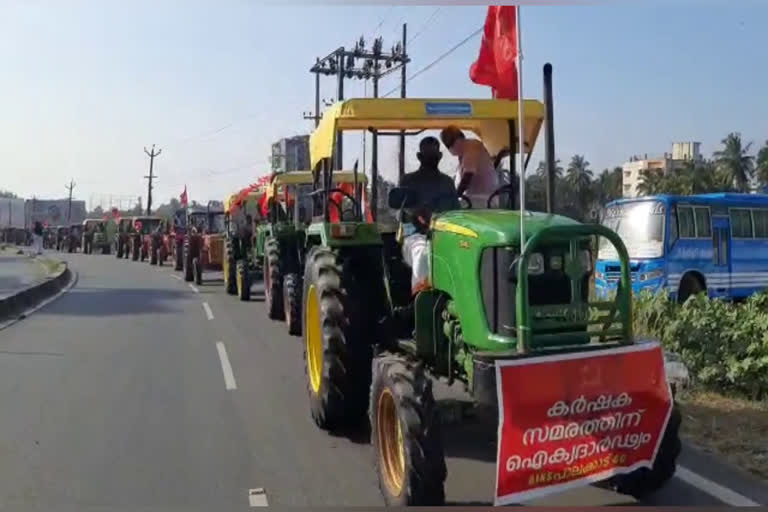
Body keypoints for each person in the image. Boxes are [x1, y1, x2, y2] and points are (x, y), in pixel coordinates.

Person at [398, 136, 460, 296]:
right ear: (419, 157)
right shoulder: (408, 181)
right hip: (415, 236)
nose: (432, 159)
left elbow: (456, 214)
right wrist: (416, 214)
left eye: (434, 156)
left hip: (445, 236)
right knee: (423, 253)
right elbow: (400, 212)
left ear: (440, 157)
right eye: (428, 156)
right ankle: (420, 301)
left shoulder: (447, 183)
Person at [440, 126, 499, 209]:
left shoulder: (470, 147)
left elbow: (468, 176)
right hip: (476, 198)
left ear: (454, 142)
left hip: (482, 200)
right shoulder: (465, 150)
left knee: (443, 208)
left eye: (448, 145)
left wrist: (454, 197)